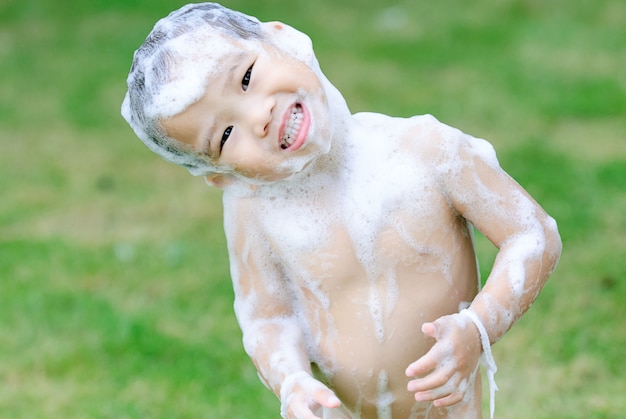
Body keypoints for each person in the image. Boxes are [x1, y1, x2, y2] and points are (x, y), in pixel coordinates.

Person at [121, 3, 562, 418]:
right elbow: (267, 317)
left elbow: (532, 234)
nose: (258, 116)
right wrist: (292, 381)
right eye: (225, 135)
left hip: (448, 405)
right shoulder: (252, 210)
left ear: (286, 39)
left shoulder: (429, 153)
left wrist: (476, 328)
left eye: (246, 77)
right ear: (223, 175)